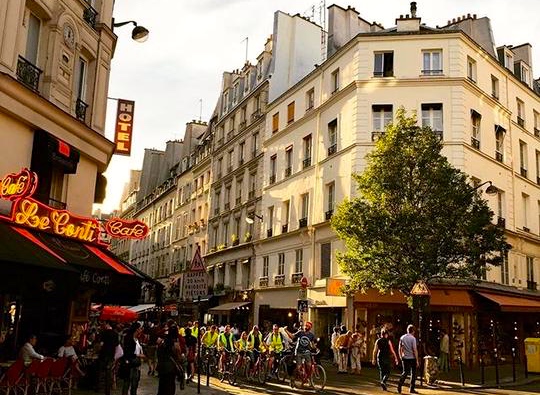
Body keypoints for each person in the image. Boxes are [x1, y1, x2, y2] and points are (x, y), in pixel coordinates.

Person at [156, 325, 183, 395]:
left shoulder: (162, 342)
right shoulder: (176, 344)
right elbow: (179, 357)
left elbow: (158, 353)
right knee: (170, 387)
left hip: (161, 367)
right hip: (171, 368)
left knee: (162, 386)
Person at [120, 322, 145, 395]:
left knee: (135, 383)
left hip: (136, 364)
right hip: (130, 364)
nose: (141, 330)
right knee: (127, 382)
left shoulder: (137, 339)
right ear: (136, 330)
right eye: (140, 329)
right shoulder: (129, 339)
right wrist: (138, 355)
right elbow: (127, 352)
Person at [97, 322, 119, 395]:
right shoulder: (115, 334)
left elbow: (101, 344)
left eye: (106, 324)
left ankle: (99, 387)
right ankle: (107, 390)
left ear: (108, 325)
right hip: (111, 355)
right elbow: (116, 345)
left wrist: (99, 349)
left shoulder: (103, 333)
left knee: (101, 371)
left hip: (103, 354)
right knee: (108, 372)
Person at [397, 325, 419, 394]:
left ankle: (400, 384)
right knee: (413, 373)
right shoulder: (413, 339)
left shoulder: (402, 337)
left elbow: (399, 348)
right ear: (413, 331)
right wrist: (417, 360)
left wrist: (400, 356)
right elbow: (415, 349)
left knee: (405, 372)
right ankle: (411, 388)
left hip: (405, 357)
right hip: (412, 358)